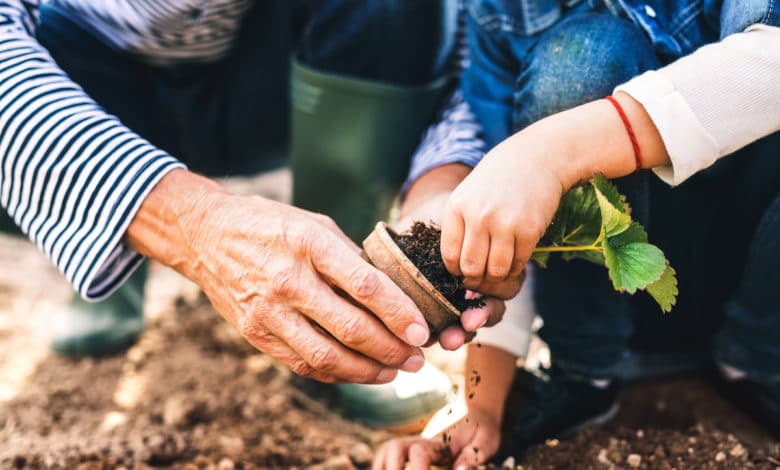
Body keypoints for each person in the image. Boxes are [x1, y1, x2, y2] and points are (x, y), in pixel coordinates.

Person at [0, 0, 505, 386]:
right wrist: (189, 225)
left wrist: (443, 179)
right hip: (83, 67)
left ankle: (348, 304)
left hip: (273, 76)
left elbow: (481, 33)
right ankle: (110, 259)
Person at [373, 0, 780, 467]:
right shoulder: (499, 14)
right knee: (584, 55)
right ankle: (584, 374)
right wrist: (480, 404)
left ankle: (759, 359)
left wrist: (553, 152)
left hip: (754, 274)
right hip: (609, 319)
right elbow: (500, 206)